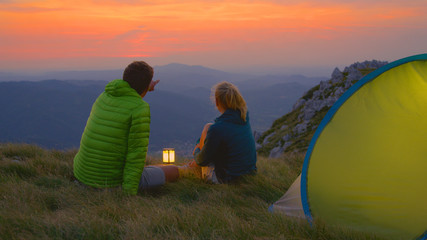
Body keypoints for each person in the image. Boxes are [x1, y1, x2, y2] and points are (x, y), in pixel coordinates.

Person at [73, 61, 178, 195]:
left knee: (152, 168)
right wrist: (128, 192)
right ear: (146, 85)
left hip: (82, 176)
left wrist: (146, 87)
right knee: (173, 170)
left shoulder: (105, 96)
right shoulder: (140, 108)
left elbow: (131, 94)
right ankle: (190, 170)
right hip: (110, 184)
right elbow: (136, 154)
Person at [187, 81, 257, 183]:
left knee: (207, 129)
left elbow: (202, 161)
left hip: (228, 180)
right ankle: (193, 165)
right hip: (249, 175)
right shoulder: (244, 116)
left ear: (217, 101)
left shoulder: (218, 129)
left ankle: (192, 168)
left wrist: (196, 150)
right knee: (208, 127)